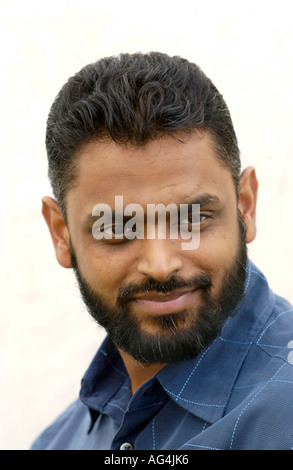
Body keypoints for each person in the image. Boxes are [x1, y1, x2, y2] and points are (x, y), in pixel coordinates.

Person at [32, 52, 293, 451]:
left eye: (192, 219)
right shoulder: (61, 441)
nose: (161, 264)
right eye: (117, 229)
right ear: (61, 234)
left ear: (245, 206)